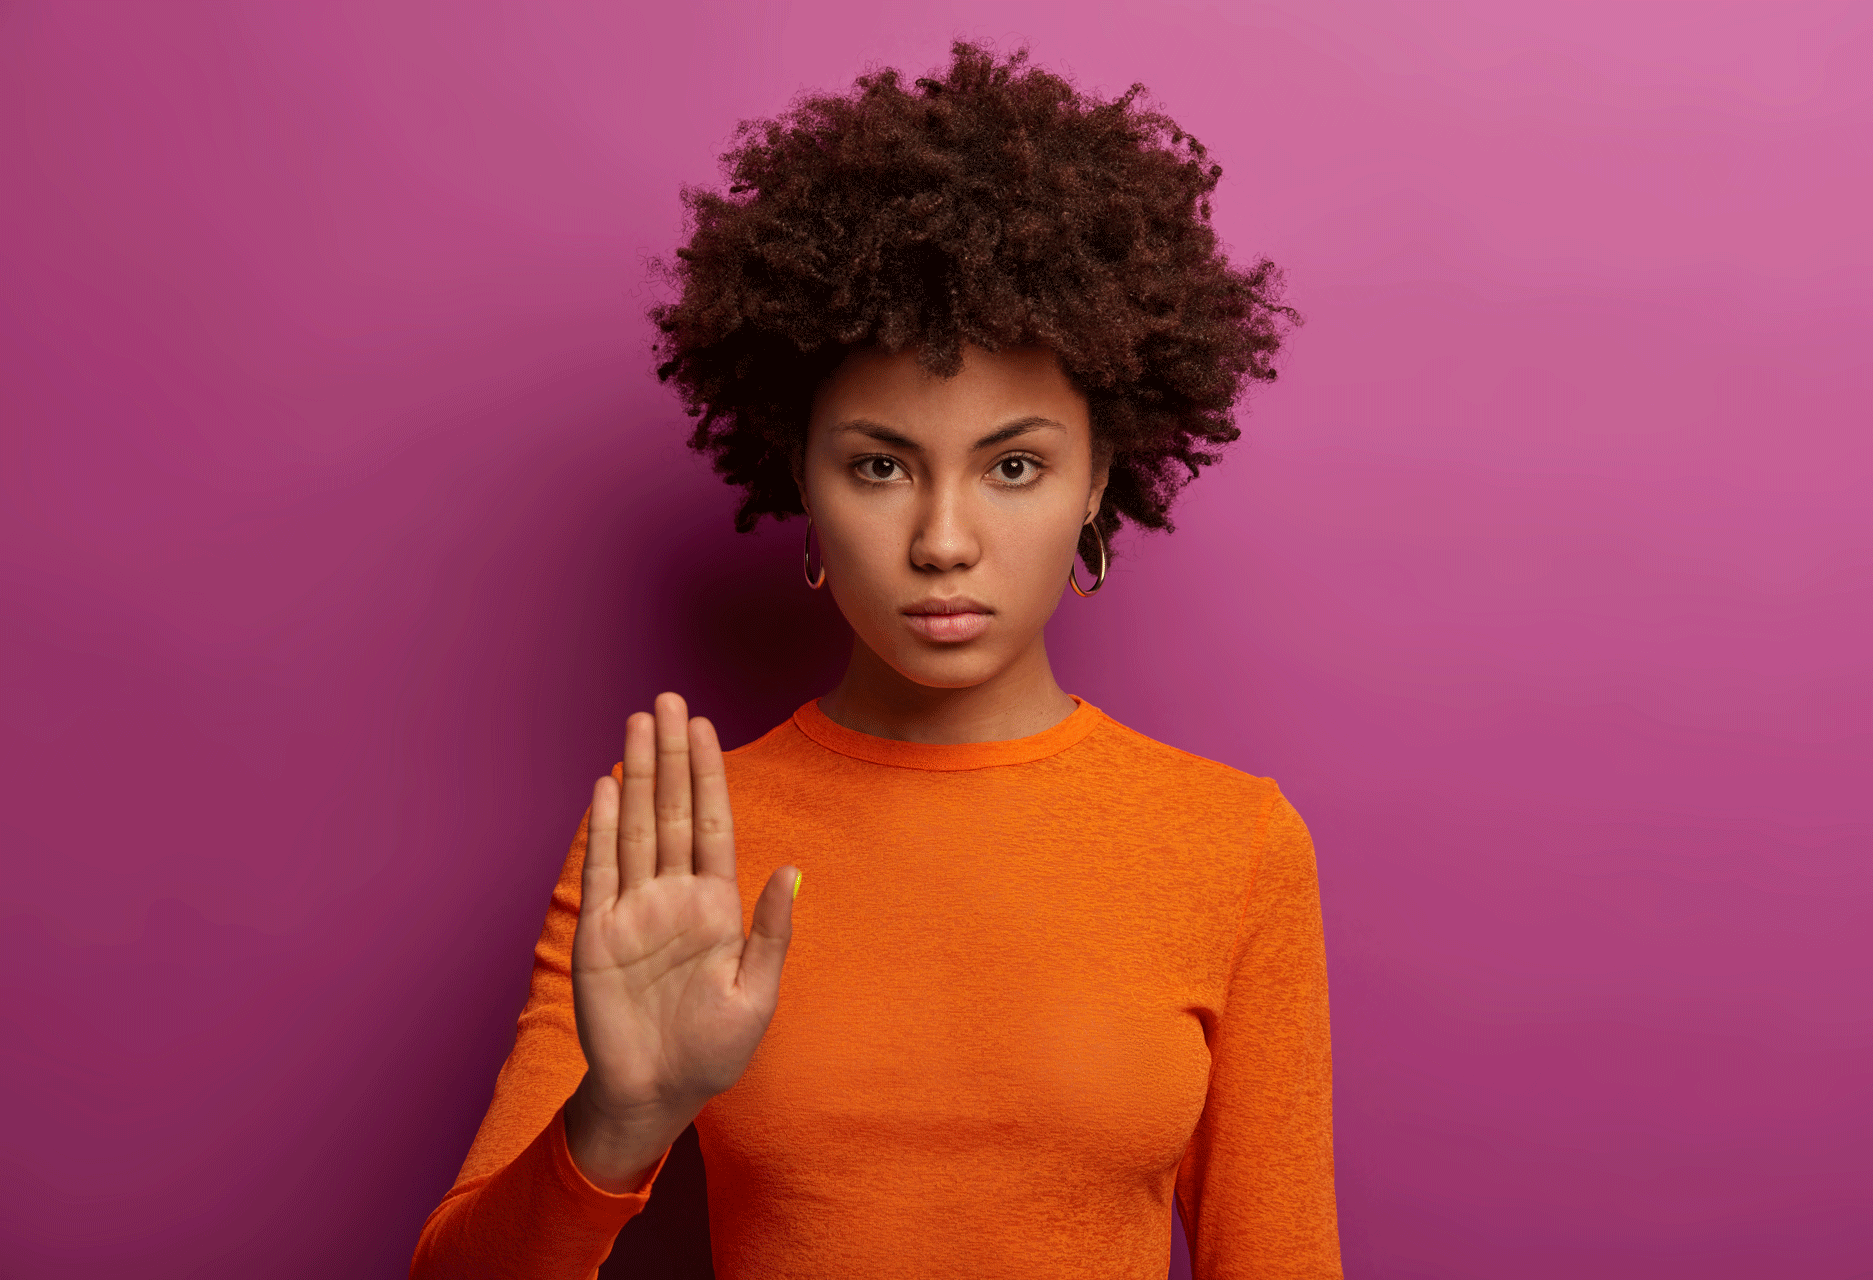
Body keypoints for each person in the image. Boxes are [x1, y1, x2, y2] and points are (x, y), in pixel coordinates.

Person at [411, 42, 1338, 1280]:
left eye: (1014, 466)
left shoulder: (1235, 846)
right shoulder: (678, 839)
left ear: (1098, 478)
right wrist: (620, 1123)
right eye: (880, 464)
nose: (944, 541)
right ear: (802, 473)